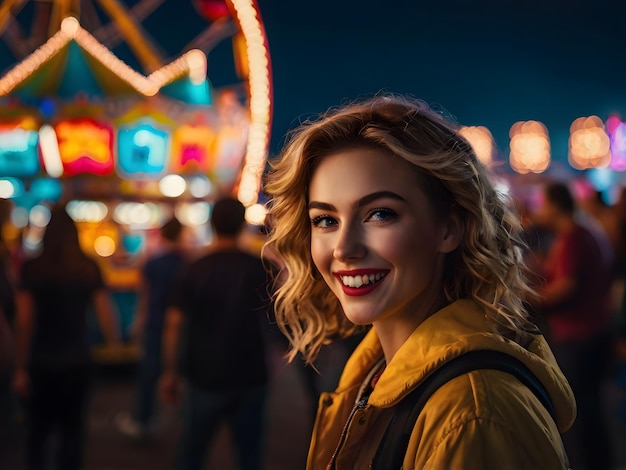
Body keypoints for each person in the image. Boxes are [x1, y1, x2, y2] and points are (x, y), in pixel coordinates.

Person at [262, 94, 576, 469]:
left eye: (380, 214)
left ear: (449, 228)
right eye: (325, 220)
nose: (343, 249)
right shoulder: (374, 369)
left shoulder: (474, 414)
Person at [159, 196, 272, 470]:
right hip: (251, 374)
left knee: (192, 452)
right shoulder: (260, 268)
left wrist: (170, 371)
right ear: (241, 224)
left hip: (204, 374)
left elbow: (174, 325)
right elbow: (277, 318)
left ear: (212, 224)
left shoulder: (195, 269)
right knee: (249, 455)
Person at [11, 204, 121, 470]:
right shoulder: (87, 267)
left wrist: (19, 367)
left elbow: (25, 321)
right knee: (72, 433)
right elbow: (105, 311)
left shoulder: (33, 268)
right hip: (77, 359)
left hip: (40, 359)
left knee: (37, 431)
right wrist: (115, 343)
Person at [532, 181, 616, 470]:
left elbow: (566, 287)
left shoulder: (574, 237)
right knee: (591, 411)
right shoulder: (583, 231)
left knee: (578, 415)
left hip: (579, 334)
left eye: (543, 204)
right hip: (594, 330)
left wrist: (530, 298)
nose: (540, 211)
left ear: (555, 206)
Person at [116, 215, 188, 440]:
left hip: (156, 322)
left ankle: (143, 419)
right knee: (184, 372)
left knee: (149, 374)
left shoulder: (153, 263)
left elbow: (145, 297)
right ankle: (185, 421)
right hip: (183, 326)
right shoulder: (188, 262)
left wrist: (138, 322)